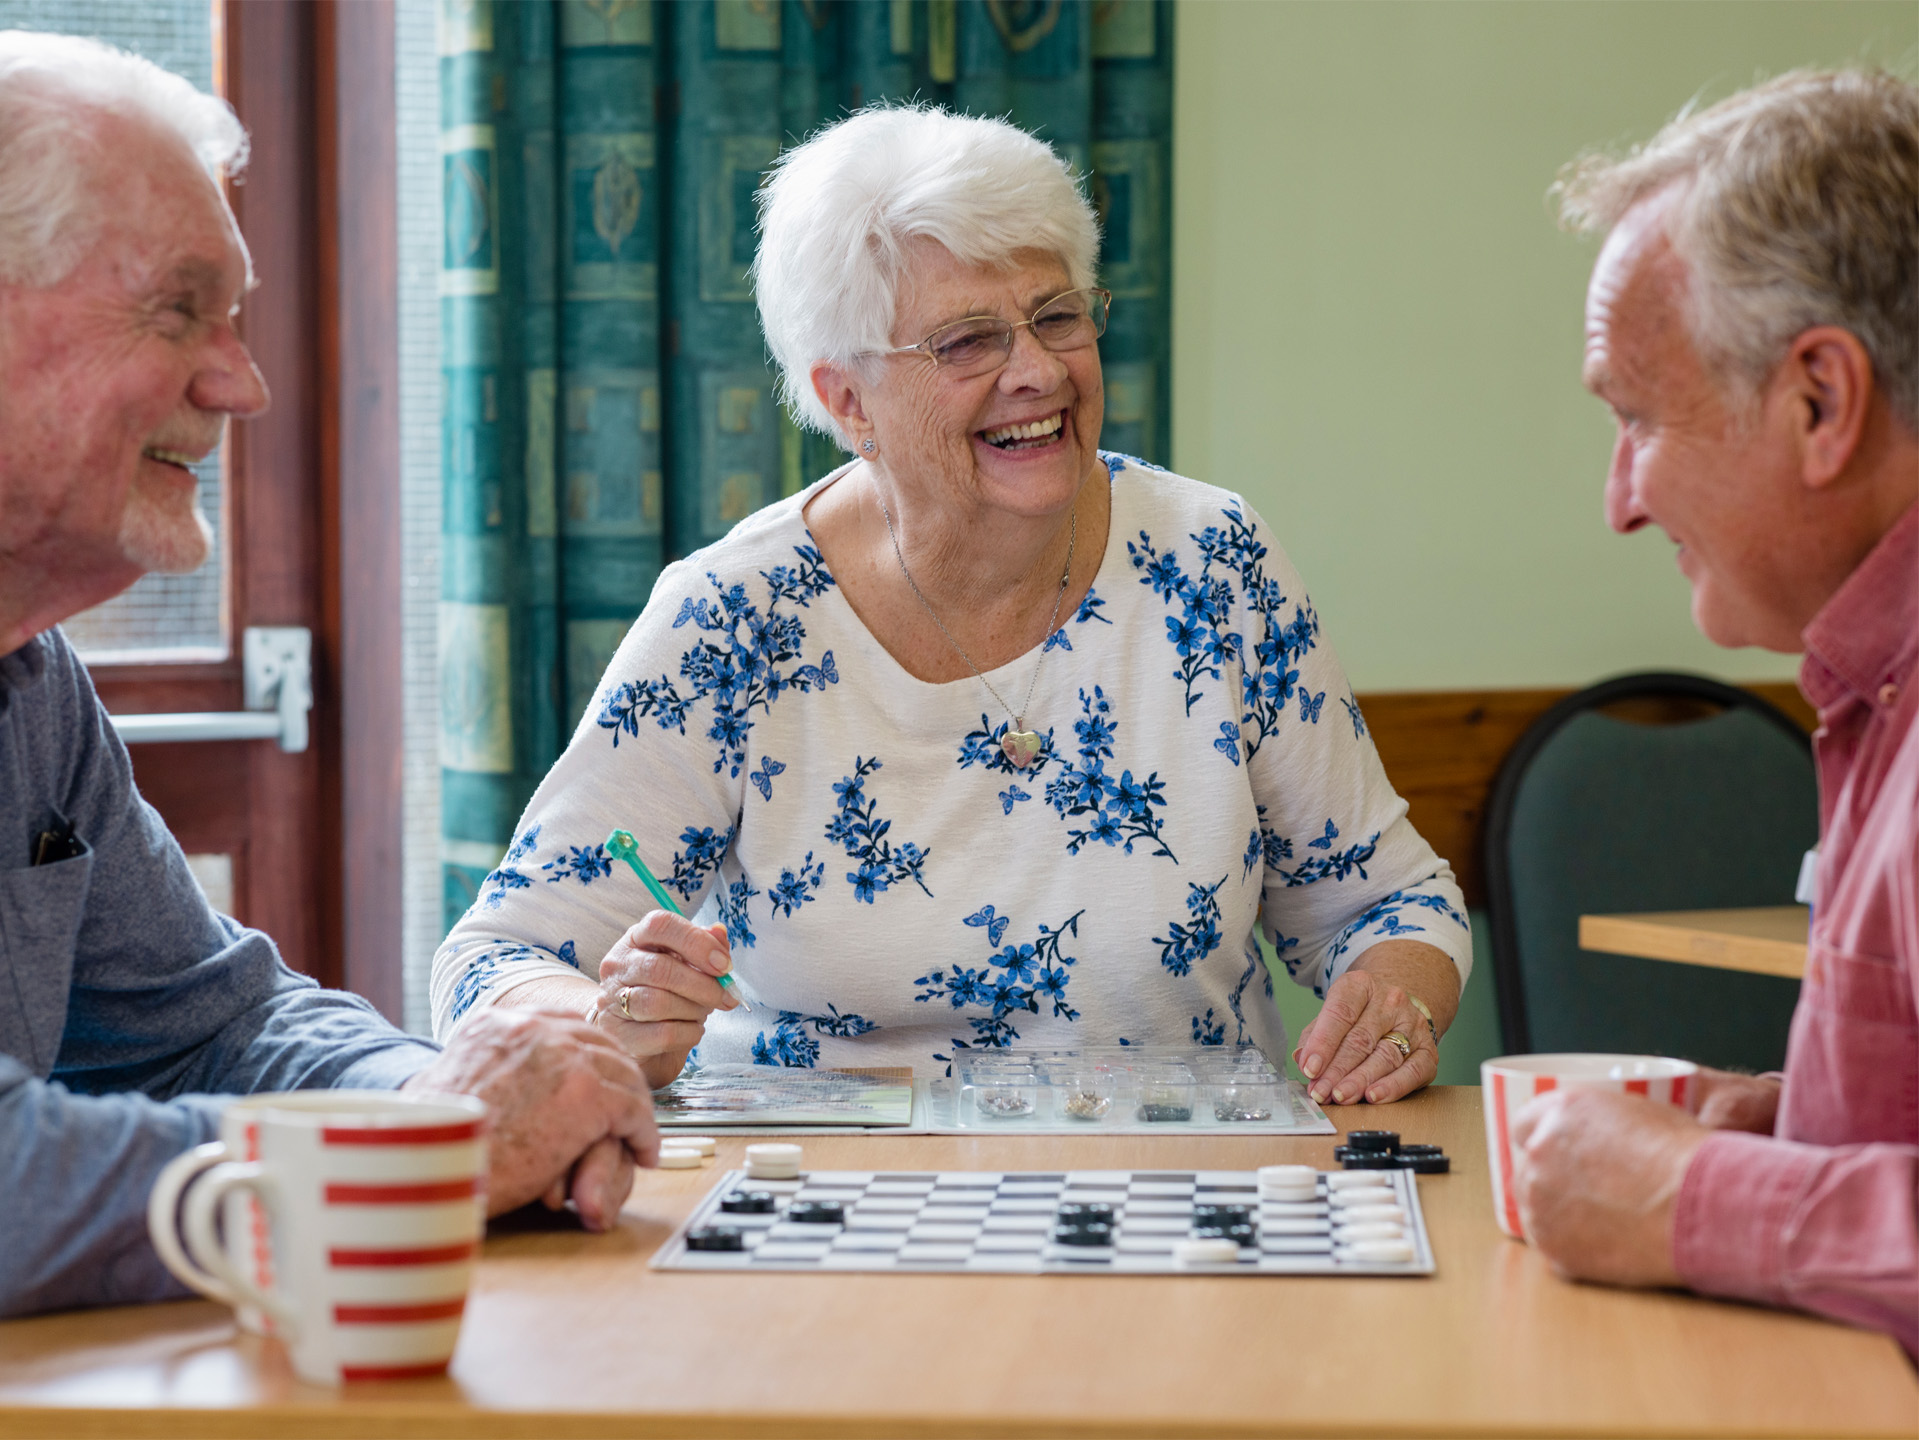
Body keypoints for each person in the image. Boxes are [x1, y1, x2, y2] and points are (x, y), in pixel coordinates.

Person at [432, 105, 1473, 1103]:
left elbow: (1388, 901)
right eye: (967, 342)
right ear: (846, 400)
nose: (1036, 372)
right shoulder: (734, 619)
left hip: (1178, 1204)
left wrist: (1391, 995)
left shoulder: (1212, 563)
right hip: (824, 1218)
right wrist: (606, 1015)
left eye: (1056, 316)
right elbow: (495, 959)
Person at [0, 33, 659, 1319]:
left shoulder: (33, 680)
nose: (240, 383)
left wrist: (437, 1095)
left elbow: (210, 1025)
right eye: (180, 307)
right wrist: (425, 1154)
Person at [1513, 68, 1919, 1353]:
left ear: (1818, 402)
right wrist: (1801, 1131)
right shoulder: (1873, 685)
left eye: (1637, 418)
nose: (1617, 500)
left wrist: (1687, 1196)